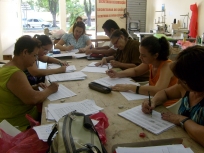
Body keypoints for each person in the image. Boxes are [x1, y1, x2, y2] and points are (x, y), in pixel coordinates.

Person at [142, 45, 204, 147]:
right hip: (182, 141)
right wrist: (153, 102)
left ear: (198, 80)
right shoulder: (186, 88)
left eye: (183, 79)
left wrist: (182, 120)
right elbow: (165, 93)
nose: (178, 82)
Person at [0, 35, 59, 131]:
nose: (36, 59)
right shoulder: (15, 73)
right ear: (25, 52)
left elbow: (15, 92)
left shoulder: (8, 67)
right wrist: (50, 89)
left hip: (20, 119)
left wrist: (34, 87)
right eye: (35, 55)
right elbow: (33, 99)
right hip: (19, 127)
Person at [106, 36, 178, 106]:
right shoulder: (151, 62)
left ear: (155, 55)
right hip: (153, 100)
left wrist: (130, 87)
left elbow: (158, 90)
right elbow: (135, 71)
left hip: (167, 106)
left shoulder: (167, 66)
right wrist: (117, 74)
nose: (140, 57)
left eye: (143, 55)